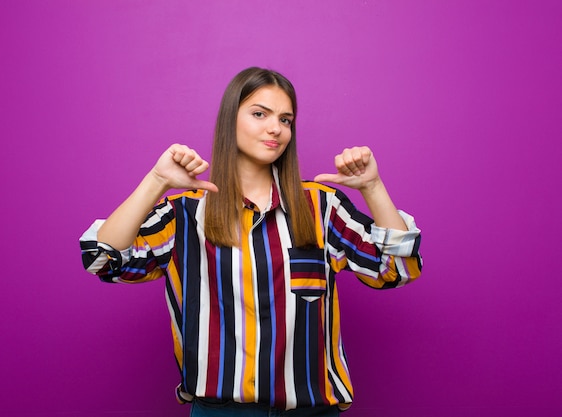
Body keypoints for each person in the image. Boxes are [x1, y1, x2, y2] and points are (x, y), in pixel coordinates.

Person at [79, 67, 422, 416]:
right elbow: (102, 259)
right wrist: (156, 181)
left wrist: (372, 187)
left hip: (311, 411)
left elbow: (395, 269)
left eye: (285, 119)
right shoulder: (184, 212)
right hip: (221, 411)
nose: (275, 128)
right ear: (231, 119)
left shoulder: (321, 206)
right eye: (260, 114)